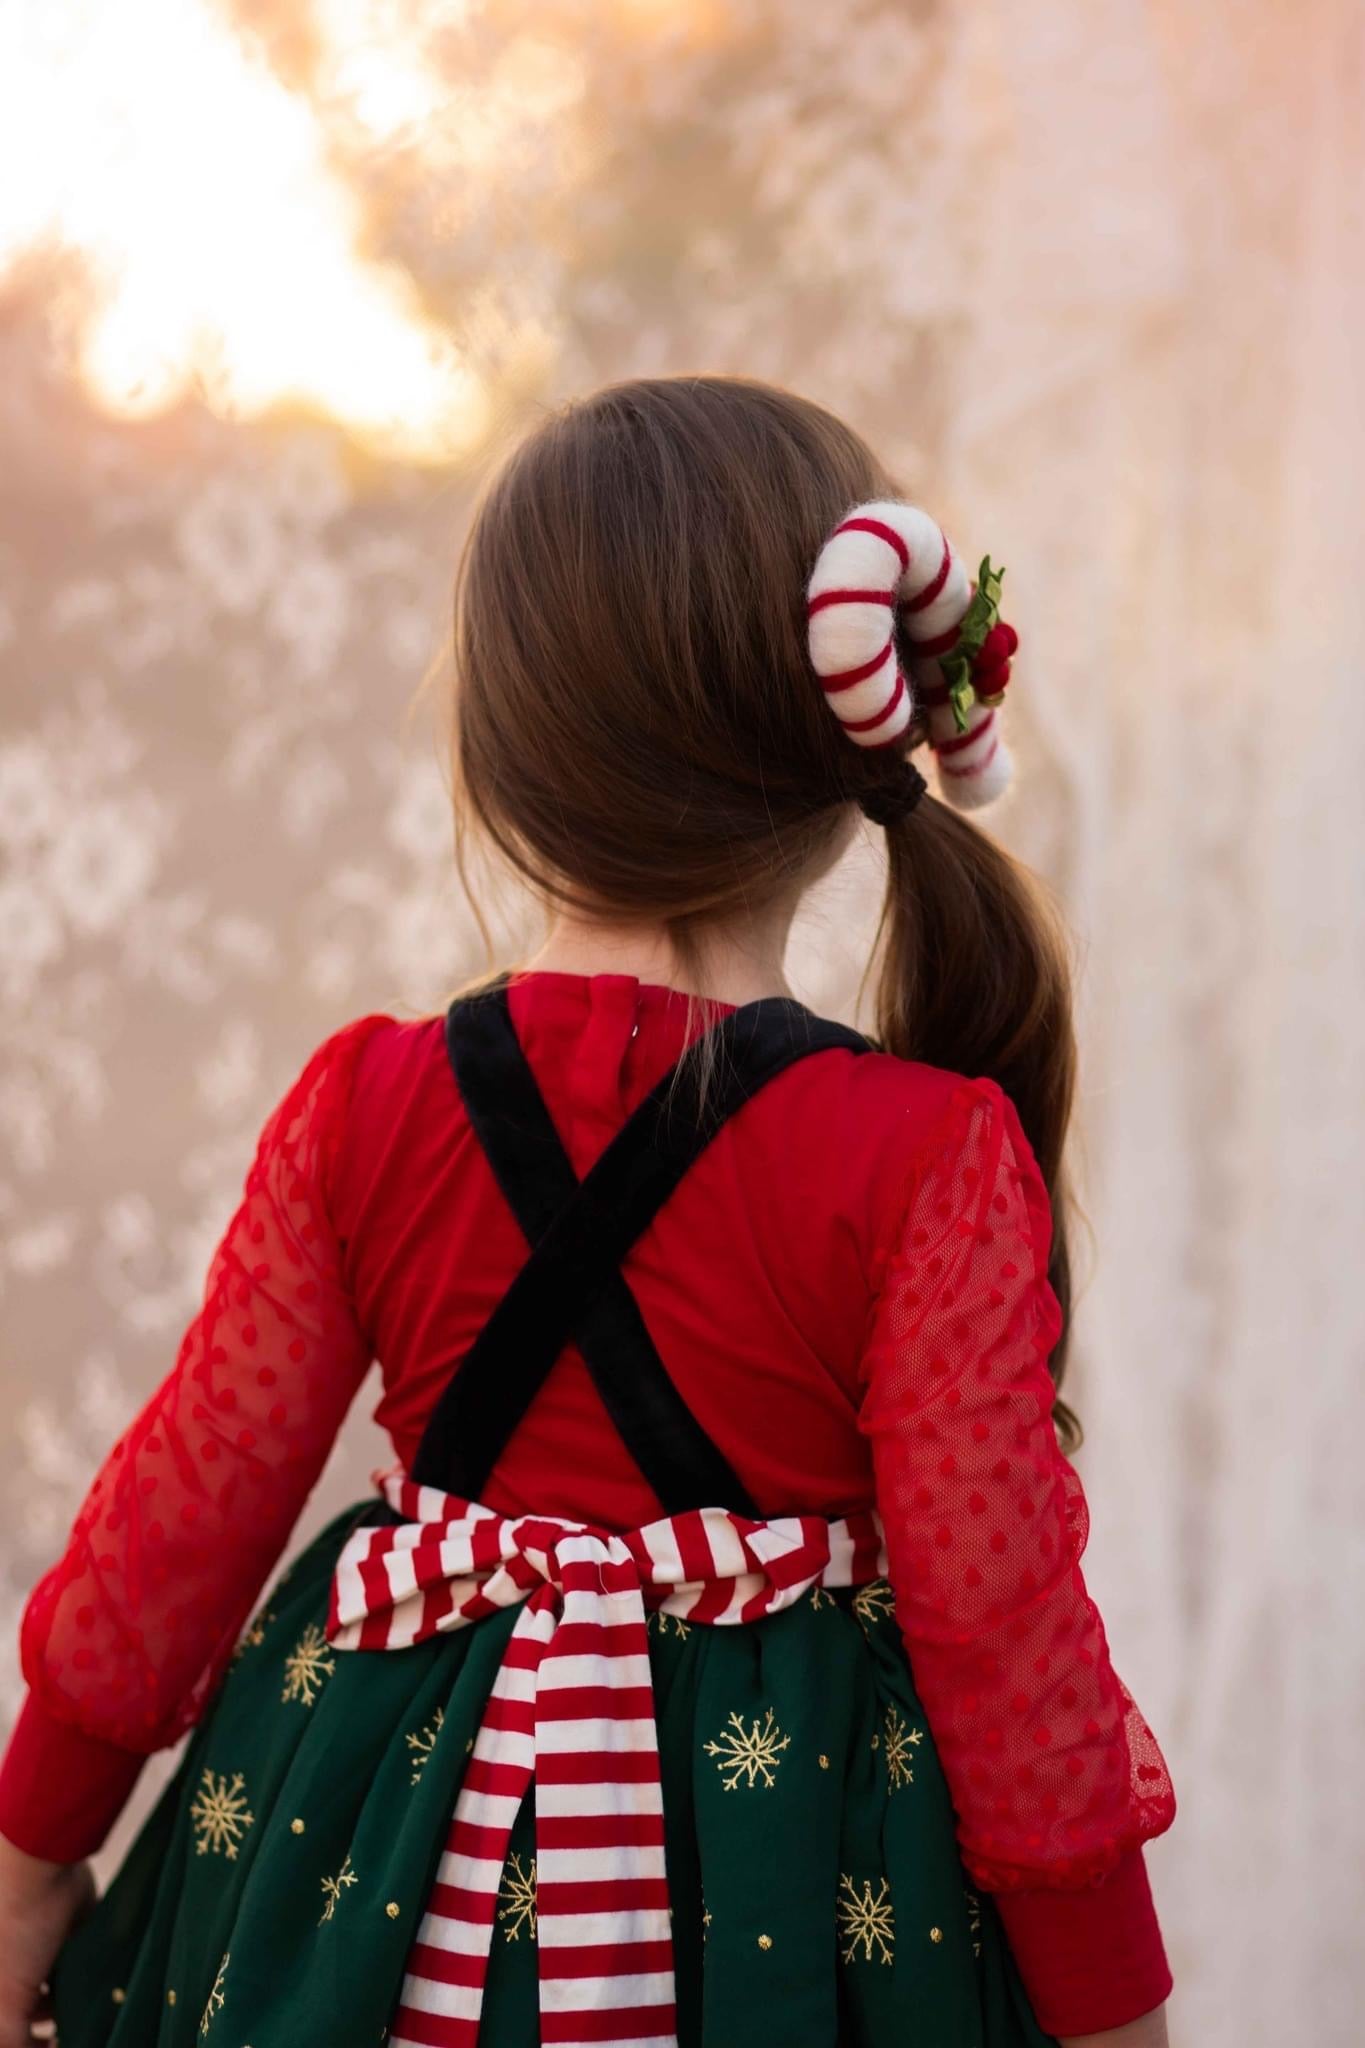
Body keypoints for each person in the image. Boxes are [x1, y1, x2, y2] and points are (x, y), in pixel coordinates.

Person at [0, 377, 1176, 2048]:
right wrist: (1118, 2027)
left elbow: (175, 1532)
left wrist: (27, 1873)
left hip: (368, 1879)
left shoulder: (365, 1107)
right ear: (842, 753)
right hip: (792, 1897)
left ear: (495, 751)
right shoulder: (923, 1153)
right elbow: (1006, 1645)